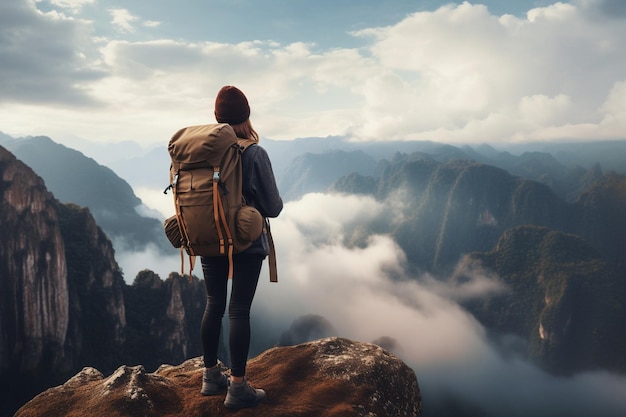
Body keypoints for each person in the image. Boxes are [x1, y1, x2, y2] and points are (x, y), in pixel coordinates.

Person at [199, 85, 283, 409]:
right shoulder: (254, 152)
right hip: (245, 242)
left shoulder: (204, 152)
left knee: (212, 303)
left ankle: (210, 377)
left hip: (209, 237)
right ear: (247, 116)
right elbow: (273, 207)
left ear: (217, 118)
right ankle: (237, 387)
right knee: (238, 310)